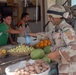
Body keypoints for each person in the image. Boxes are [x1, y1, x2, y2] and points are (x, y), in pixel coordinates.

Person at [28, 4, 76, 75]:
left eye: (51, 17)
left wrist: (57, 53)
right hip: (61, 64)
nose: (49, 19)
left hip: (69, 67)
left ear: (57, 17)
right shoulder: (56, 28)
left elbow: (74, 47)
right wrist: (31, 34)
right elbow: (47, 35)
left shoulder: (67, 29)